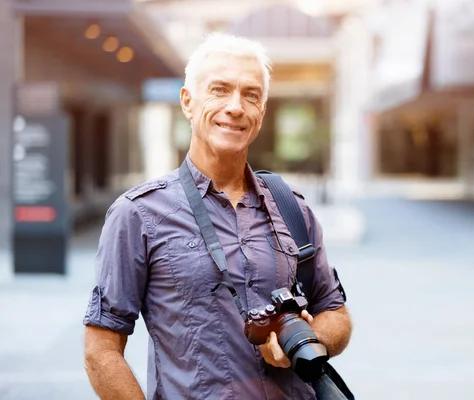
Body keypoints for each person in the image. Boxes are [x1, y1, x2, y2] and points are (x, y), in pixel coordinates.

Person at [83, 33, 352, 400]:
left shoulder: (291, 207)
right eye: (220, 90)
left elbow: (335, 312)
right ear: (187, 102)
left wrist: (304, 340)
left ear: (262, 111)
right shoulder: (138, 214)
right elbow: (101, 350)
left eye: (251, 95)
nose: (236, 107)